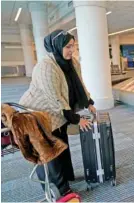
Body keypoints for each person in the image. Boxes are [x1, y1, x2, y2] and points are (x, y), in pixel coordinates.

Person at [19, 29, 96, 195]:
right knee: (49, 153)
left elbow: (79, 83)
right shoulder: (46, 67)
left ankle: (66, 177)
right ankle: (60, 189)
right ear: (56, 46)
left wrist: (89, 101)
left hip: (57, 114)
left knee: (63, 146)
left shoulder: (71, 62)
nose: (71, 50)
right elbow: (55, 99)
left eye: (73, 46)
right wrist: (76, 119)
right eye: (68, 46)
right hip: (38, 114)